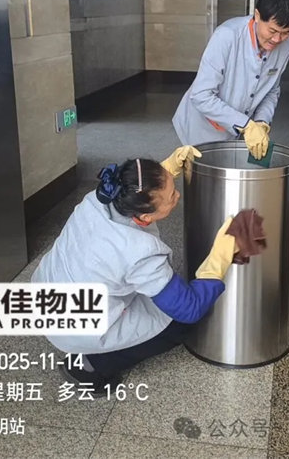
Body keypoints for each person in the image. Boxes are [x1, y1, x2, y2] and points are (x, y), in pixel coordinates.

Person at [30, 146, 237, 394]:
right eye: (171, 196)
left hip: (45, 292)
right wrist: (220, 257)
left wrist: (164, 172)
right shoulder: (139, 251)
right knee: (180, 322)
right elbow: (189, 308)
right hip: (76, 326)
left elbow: (135, 190)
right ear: (144, 217)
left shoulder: (100, 197)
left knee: (157, 291)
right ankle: (89, 365)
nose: (178, 196)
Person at [172, 0, 289, 160]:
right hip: (200, 129)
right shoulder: (227, 36)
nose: (277, 39)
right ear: (257, 16)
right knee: (201, 174)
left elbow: (272, 90)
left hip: (237, 133)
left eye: (286, 33)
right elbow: (201, 94)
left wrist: (261, 122)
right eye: (272, 31)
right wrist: (246, 125)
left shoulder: (285, 47)